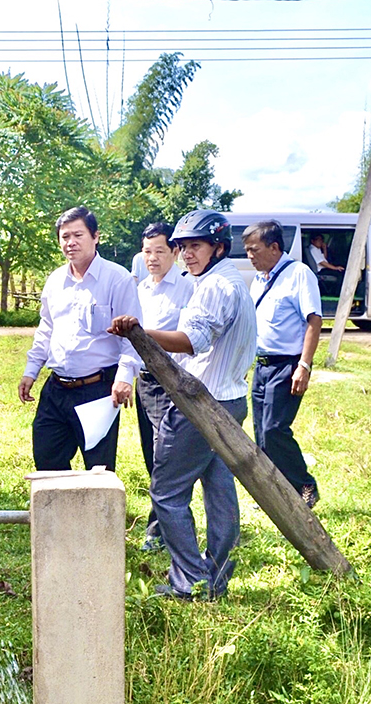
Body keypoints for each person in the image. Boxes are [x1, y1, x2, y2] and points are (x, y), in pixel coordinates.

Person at [110, 210, 255, 600]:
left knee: (167, 493)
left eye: (196, 246)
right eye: (183, 247)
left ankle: (190, 582)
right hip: (230, 399)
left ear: (219, 247)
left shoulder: (213, 288)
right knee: (219, 488)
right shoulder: (226, 280)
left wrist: (137, 331)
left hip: (200, 405)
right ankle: (216, 575)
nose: (187, 254)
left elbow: (193, 340)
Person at [19, 206, 141, 471]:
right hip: (56, 389)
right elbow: (46, 329)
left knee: (98, 470)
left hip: (97, 390)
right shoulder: (55, 281)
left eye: (78, 235)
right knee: (47, 464)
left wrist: (124, 377)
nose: (70, 243)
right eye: (64, 237)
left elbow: (133, 337)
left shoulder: (117, 279)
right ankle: (58, 514)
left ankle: (96, 514)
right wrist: (31, 371)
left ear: (96, 236)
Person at [246, 220, 322, 508]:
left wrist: (304, 365)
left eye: (255, 250)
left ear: (274, 247)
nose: (250, 256)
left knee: (275, 428)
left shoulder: (299, 274)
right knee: (260, 434)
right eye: (247, 251)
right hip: (262, 365)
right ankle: (273, 493)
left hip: (287, 365)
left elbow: (314, 320)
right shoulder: (259, 280)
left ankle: (304, 484)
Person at [133, 222, 193, 553]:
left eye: (159, 251)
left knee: (165, 457)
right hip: (144, 382)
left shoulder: (187, 290)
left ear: (174, 252)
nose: (152, 258)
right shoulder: (141, 289)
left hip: (171, 381)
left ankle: (158, 530)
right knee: (150, 455)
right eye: (147, 252)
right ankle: (165, 522)